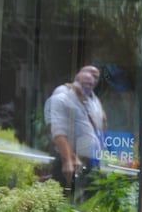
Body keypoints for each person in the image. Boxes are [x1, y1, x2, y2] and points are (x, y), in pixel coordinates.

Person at [44, 64, 106, 193]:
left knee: (86, 204)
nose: (91, 78)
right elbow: (58, 128)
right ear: (78, 75)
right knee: (63, 202)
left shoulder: (94, 100)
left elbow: (100, 128)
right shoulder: (64, 92)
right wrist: (68, 158)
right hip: (70, 162)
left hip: (90, 163)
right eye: (87, 73)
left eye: (95, 76)